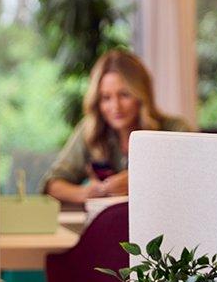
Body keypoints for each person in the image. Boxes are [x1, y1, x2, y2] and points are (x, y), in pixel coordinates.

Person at [40, 50, 189, 204]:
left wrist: (138, 181)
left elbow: (195, 180)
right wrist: (84, 194)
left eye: (124, 95)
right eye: (106, 98)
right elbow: (52, 184)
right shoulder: (91, 130)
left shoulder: (175, 131)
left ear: (141, 95)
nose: (115, 106)